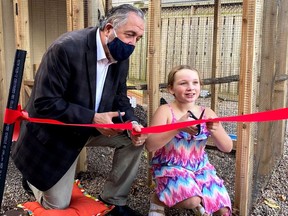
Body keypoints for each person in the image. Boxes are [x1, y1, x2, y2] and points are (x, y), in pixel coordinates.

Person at [11, 4, 147, 216]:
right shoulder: (65, 48)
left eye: (138, 38)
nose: (133, 44)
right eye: (130, 35)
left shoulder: (121, 58)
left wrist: (132, 123)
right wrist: (93, 118)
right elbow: (45, 103)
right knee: (58, 207)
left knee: (133, 139)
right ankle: (33, 180)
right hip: (57, 133)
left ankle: (113, 199)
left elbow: (120, 98)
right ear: (109, 28)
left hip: (90, 127)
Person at [145, 65, 233, 216]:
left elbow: (227, 148)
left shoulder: (207, 112)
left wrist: (216, 129)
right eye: (183, 83)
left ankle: (196, 196)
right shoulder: (165, 111)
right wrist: (178, 127)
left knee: (223, 210)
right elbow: (150, 145)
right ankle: (158, 199)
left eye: (195, 82)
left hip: (200, 168)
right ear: (171, 89)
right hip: (170, 166)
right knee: (191, 201)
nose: (190, 87)